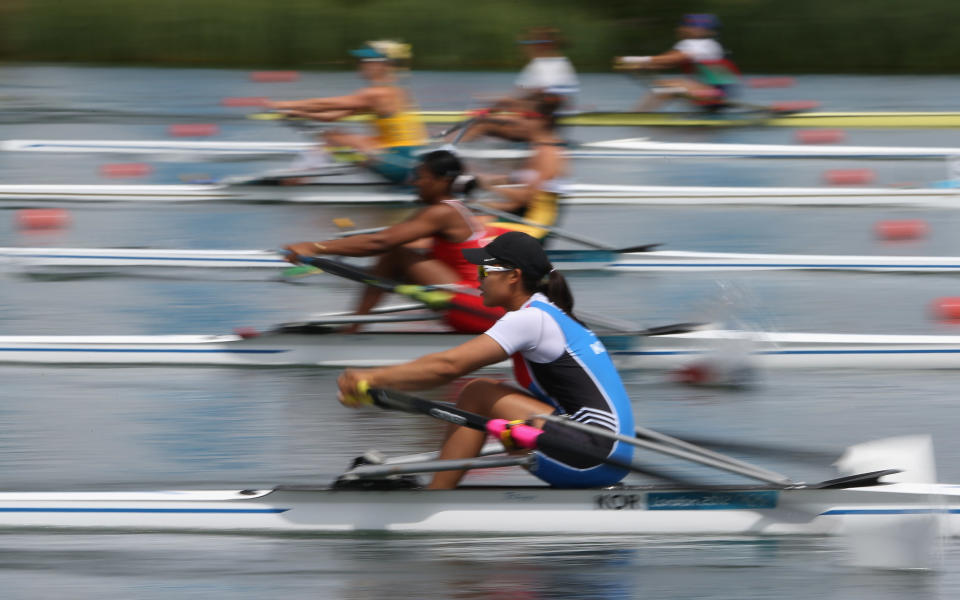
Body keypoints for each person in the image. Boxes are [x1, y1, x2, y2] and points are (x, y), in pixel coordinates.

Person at [336, 231, 636, 490]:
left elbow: (447, 367)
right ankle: (441, 489)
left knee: (478, 392)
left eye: (484, 271)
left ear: (513, 277)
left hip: (591, 456)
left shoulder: (530, 319)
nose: (478, 279)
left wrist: (371, 378)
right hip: (604, 452)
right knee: (492, 393)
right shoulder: (551, 314)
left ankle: (436, 499)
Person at [283, 150, 502, 334]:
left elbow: (380, 242)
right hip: (483, 306)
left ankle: (354, 327)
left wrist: (315, 247)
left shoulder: (441, 212)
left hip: (477, 310)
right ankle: (356, 324)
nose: (413, 182)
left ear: (441, 181)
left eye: (420, 177)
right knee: (398, 253)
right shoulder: (457, 209)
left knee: (394, 252)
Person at [268, 40, 428, 184]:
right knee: (339, 138)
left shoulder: (378, 94)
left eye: (364, 61)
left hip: (401, 163)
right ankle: (303, 173)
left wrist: (283, 104)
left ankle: (296, 177)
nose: (359, 64)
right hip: (410, 160)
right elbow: (333, 116)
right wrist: (299, 114)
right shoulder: (396, 92)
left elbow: (325, 104)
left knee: (333, 137)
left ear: (381, 65)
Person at [455, 27, 578, 144]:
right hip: (544, 124)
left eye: (530, 44)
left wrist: (493, 104)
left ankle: (444, 150)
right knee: (488, 118)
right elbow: (531, 98)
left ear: (542, 45)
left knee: (481, 125)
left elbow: (547, 100)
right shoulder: (563, 64)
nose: (526, 48)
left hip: (535, 126)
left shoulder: (540, 66)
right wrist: (497, 107)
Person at [475, 93, 569, 241]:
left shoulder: (549, 155)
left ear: (543, 120)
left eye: (526, 116)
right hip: (522, 217)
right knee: (461, 219)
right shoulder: (540, 149)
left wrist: (488, 187)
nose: (518, 120)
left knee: (462, 228)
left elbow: (524, 198)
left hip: (535, 228)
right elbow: (515, 192)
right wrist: (477, 198)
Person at [615, 14, 741, 111]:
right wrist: (636, 65)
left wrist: (632, 61)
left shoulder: (705, 44)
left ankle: (636, 117)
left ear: (702, 30)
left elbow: (672, 59)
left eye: (686, 26)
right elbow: (664, 62)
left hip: (715, 94)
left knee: (671, 84)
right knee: (663, 87)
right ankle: (637, 115)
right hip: (707, 93)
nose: (680, 28)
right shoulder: (690, 44)